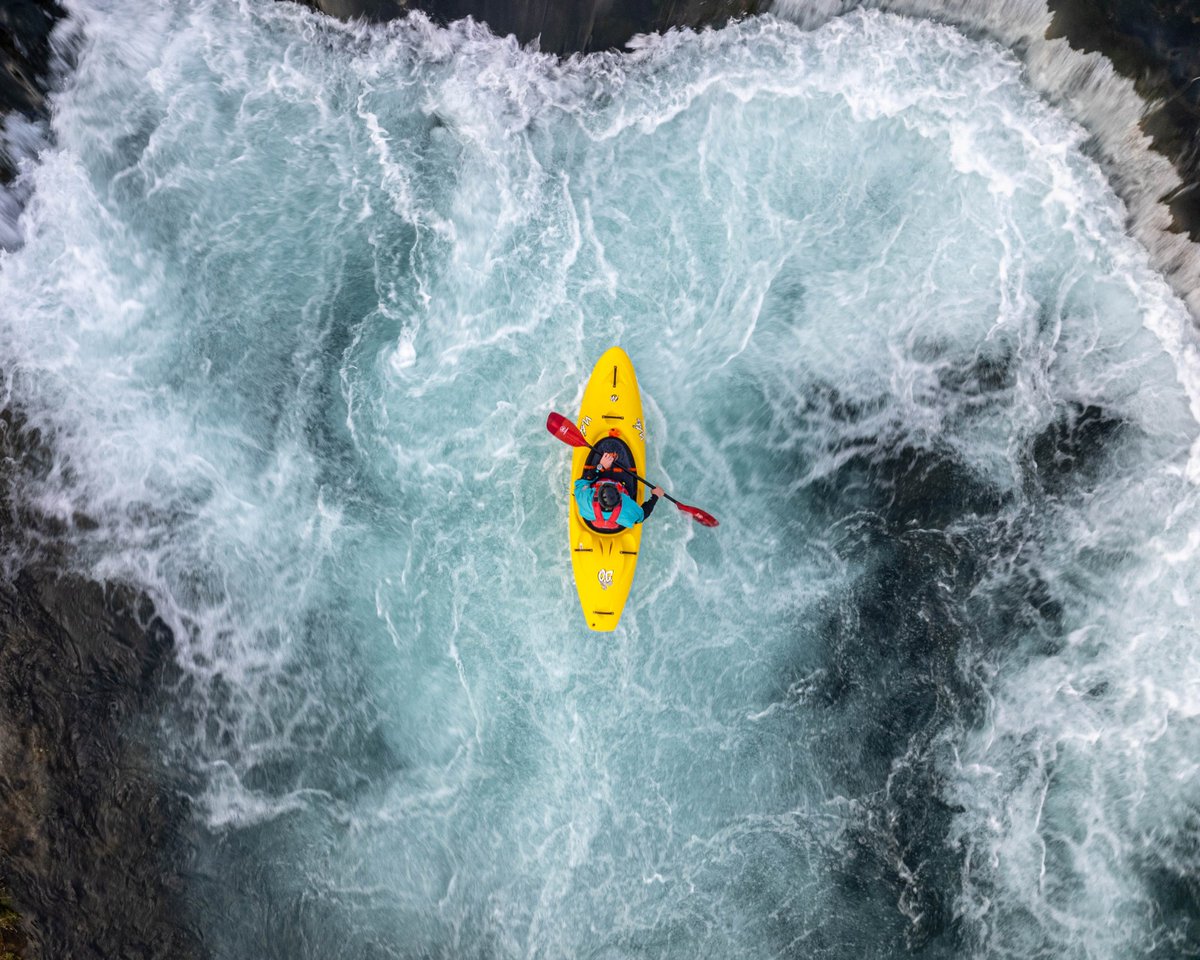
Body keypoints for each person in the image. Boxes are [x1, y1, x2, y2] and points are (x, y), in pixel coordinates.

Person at [573, 450, 665, 530]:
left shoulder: (584, 499)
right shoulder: (627, 507)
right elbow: (642, 516)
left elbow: (581, 482)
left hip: (590, 514)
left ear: (597, 495)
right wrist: (655, 496)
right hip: (621, 517)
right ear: (620, 497)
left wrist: (601, 466)